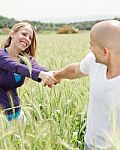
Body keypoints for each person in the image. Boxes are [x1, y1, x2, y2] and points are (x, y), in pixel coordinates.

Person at [52, 20, 120, 150]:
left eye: (92, 45)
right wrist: (56, 75)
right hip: (90, 144)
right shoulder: (94, 61)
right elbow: (75, 70)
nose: (90, 49)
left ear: (105, 52)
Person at [0, 22, 59, 122]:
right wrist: (40, 75)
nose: (27, 39)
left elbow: (38, 68)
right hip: (1, 117)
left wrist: (57, 75)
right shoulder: (1, 55)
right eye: (24, 34)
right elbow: (15, 67)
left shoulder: (26, 59)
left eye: (30, 38)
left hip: (18, 114)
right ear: (12, 34)